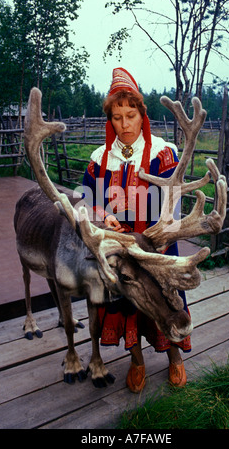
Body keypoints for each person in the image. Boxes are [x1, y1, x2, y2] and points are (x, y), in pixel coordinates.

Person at [83, 67, 191, 393]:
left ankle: (174, 357)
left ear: (142, 113)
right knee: (125, 303)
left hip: (155, 251)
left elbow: (173, 208)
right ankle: (137, 360)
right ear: (109, 119)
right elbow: (89, 204)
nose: (125, 124)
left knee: (163, 301)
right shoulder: (100, 159)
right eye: (117, 117)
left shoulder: (162, 152)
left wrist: (154, 231)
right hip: (119, 254)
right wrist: (104, 218)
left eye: (131, 115)